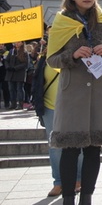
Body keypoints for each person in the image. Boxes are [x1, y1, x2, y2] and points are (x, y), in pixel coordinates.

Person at [46, 0, 102, 205]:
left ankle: (87, 197)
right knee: (69, 147)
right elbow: (52, 59)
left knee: (93, 149)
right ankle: (68, 197)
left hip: (99, 92)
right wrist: (73, 55)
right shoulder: (62, 20)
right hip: (72, 92)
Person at [31, 38, 82, 197]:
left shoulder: (74, 55)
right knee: (54, 147)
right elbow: (38, 81)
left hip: (72, 107)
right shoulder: (44, 59)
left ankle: (78, 179)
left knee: (77, 144)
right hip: (49, 107)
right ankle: (58, 182)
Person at [5, 41, 29, 110]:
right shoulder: (11, 51)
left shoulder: (24, 52)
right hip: (10, 73)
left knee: (19, 89)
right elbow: (6, 60)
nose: (16, 44)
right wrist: (8, 67)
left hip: (19, 73)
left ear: (22, 43)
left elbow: (25, 64)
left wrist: (15, 68)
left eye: (18, 42)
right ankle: (13, 103)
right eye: (16, 42)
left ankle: (20, 104)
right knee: (11, 89)